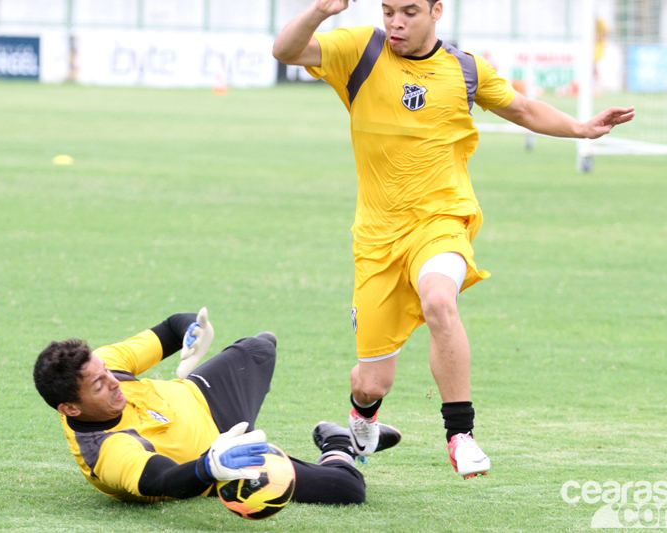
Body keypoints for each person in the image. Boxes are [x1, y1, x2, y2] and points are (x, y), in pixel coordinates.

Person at [272, 0, 635, 479]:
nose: (396, 22)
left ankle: (460, 434)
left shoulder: (464, 69)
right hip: (378, 238)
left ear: (436, 11)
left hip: (443, 219)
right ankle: (362, 420)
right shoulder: (359, 49)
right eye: (388, 11)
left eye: (409, 12)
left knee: (440, 301)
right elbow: (286, 51)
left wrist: (580, 128)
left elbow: (522, 108)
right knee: (373, 380)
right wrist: (320, 10)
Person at [32, 308, 400, 504]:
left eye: (104, 371)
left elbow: (172, 326)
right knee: (347, 489)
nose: (112, 379)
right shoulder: (108, 450)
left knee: (260, 348)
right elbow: (163, 480)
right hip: (223, 457)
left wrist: (193, 332)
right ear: (71, 409)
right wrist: (211, 467)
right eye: (99, 384)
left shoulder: (103, 363)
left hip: (203, 396)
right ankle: (339, 443)